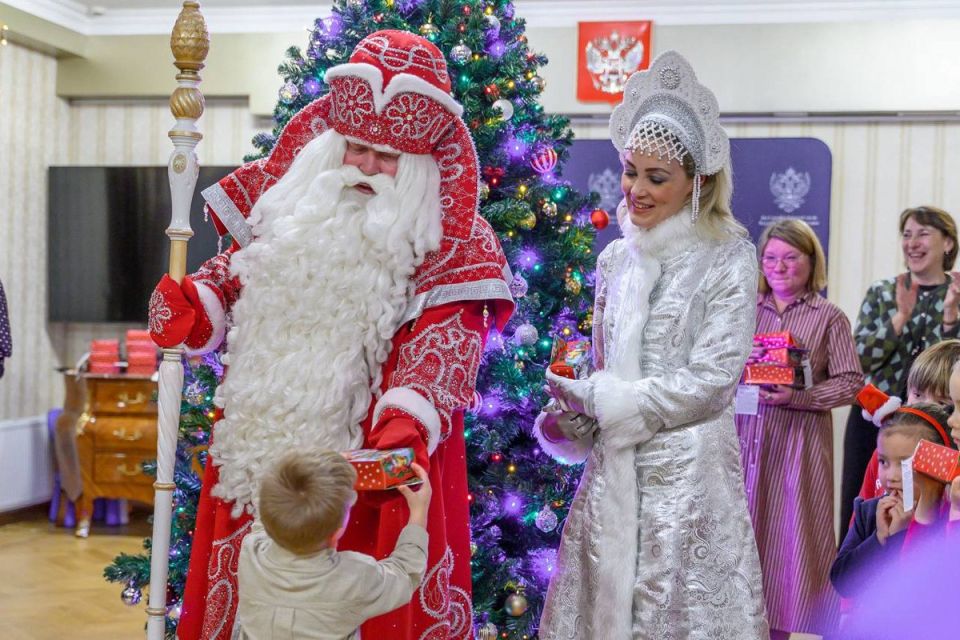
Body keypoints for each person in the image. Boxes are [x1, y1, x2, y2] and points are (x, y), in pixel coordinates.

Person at [148, 30, 514, 640]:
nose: (367, 167)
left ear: (421, 164)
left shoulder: (453, 242)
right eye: (357, 148)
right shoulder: (289, 205)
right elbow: (233, 279)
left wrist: (405, 422)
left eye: (387, 156)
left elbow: (446, 344)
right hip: (255, 460)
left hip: (367, 465)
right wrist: (196, 308)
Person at [533, 51, 768, 639]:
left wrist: (610, 402)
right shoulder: (615, 258)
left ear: (699, 182)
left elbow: (713, 381)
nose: (635, 189)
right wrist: (574, 415)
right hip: (612, 478)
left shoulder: (729, 255)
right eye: (630, 170)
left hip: (687, 485)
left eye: (655, 177)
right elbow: (601, 364)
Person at [734, 218, 862, 638]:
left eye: (790, 258)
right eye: (770, 258)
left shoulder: (829, 318)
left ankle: (780, 631)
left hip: (797, 448)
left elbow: (850, 382)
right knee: (740, 536)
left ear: (811, 262)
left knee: (788, 542)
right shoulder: (742, 310)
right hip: (743, 443)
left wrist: (801, 397)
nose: (779, 267)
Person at [841, 205, 960, 533]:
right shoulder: (883, 292)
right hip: (877, 421)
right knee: (863, 500)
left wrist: (950, 317)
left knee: (929, 513)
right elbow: (858, 358)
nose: (913, 242)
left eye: (923, 233)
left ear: (948, 243)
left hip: (940, 427)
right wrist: (900, 317)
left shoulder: (958, 293)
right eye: (907, 235)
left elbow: (952, 362)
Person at [236, 450, 431, 640]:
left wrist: (325, 467)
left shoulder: (250, 551)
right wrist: (419, 512)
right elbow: (405, 573)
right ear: (337, 532)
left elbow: (265, 520)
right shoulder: (355, 577)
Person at [830, 392, 954, 634]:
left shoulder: (947, 516)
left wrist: (908, 531)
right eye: (885, 462)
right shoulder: (869, 511)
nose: (891, 476)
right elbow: (843, 581)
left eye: (905, 464)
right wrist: (880, 540)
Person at [856, 338, 960, 503]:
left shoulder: (953, 469)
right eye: (918, 395)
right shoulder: (884, 453)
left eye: (941, 402)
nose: (923, 406)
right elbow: (859, 521)